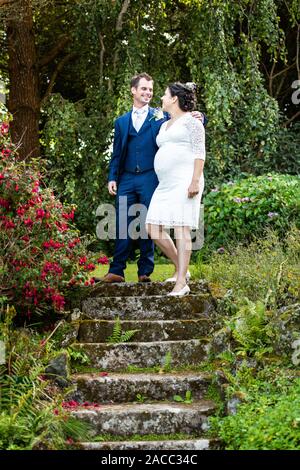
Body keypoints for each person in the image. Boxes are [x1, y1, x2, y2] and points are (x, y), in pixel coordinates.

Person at [98, 73, 206, 283]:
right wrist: (113, 177)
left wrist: (199, 115)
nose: (148, 93)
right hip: (127, 178)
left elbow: (184, 119)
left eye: (150, 90)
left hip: (150, 177)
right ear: (133, 91)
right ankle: (116, 270)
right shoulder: (121, 122)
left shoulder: (160, 116)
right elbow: (117, 153)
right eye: (144, 89)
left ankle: (144, 271)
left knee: (150, 221)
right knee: (122, 222)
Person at [145, 82, 205, 296]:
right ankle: (182, 269)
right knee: (152, 227)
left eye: (164, 94)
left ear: (174, 99)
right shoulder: (164, 125)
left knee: (182, 228)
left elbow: (200, 153)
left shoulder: (193, 122)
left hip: (185, 180)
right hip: (165, 184)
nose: (161, 97)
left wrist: (195, 181)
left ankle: (181, 283)